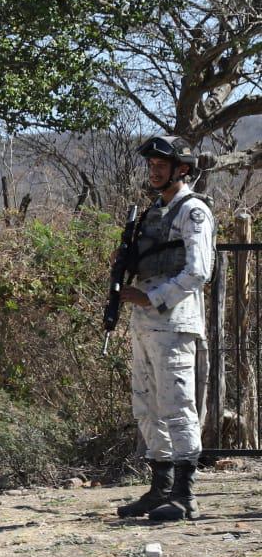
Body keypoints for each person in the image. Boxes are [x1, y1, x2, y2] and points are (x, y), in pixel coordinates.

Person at [114, 135, 213, 522]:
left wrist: (153, 298)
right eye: (151, 165)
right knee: (147, 405)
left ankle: (185, 497)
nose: (154, 170)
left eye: (162, 165)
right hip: (145, 322)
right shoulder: (153, 211)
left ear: (182, 169)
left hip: (173, 319)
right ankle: (159, 488)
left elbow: (198, 270)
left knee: (176, 406)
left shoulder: (193, 212)